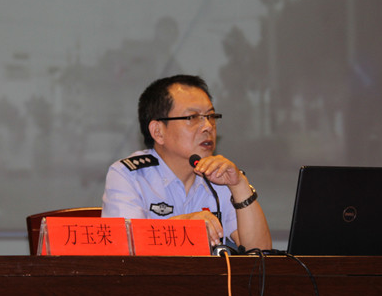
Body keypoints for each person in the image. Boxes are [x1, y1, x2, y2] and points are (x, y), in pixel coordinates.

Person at [102, 75, 272, 250]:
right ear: (158, 132)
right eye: (192, 117)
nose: (208, 126)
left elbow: (261, 254)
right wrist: (183, 227)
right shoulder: (129, 175)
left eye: (211, 116)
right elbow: (122, 248)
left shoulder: (220, 177)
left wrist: (239, 186)